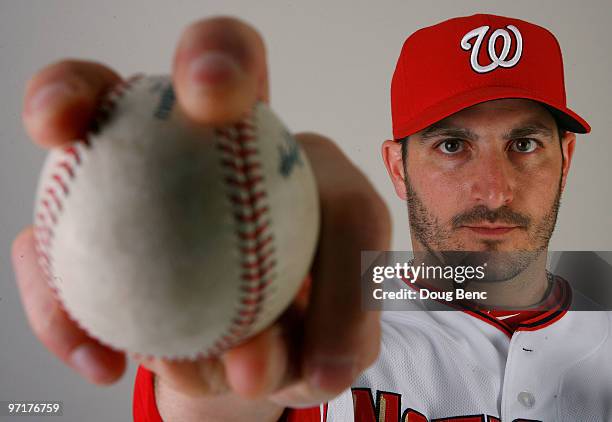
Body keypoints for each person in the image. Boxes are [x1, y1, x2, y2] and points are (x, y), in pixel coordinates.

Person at [12, 12, 610, 422]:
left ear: (567, 158)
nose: (494, 189)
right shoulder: (320, 326)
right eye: (451, 146)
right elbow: (223, 404)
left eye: (525, 144)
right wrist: (215, 326)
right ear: (397, 168)